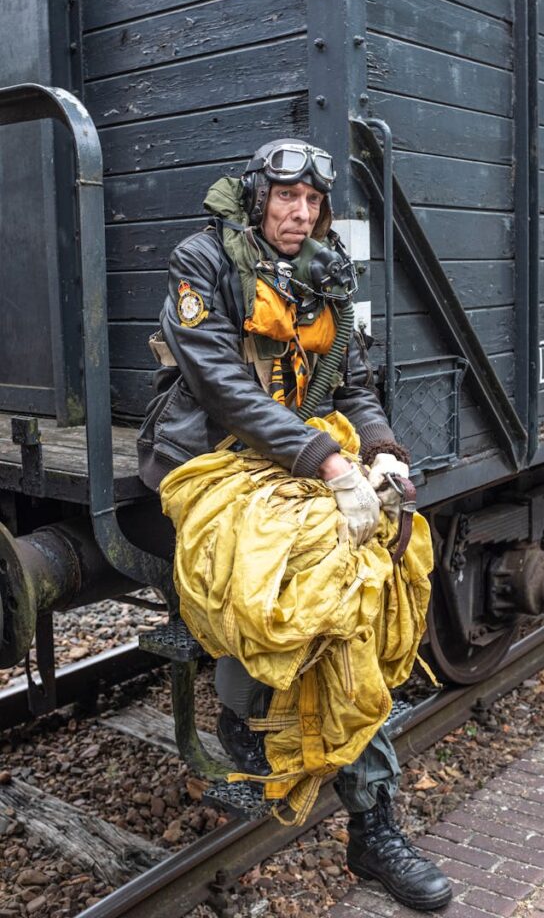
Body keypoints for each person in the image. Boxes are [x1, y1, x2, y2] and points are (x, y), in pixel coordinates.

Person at [137, 139, 452, 912]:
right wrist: (330, 465)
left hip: (301, 458)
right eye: (286, 199)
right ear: (257, 198)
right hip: (209, 461)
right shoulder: (201, 259)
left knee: (386, 562)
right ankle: (371, 825)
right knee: (328, 593)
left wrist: (377, 452)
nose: (299, 214)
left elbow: (354, 380)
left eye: (311, 202)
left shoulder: (324, 267)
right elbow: (219, 387)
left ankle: (275, 729)